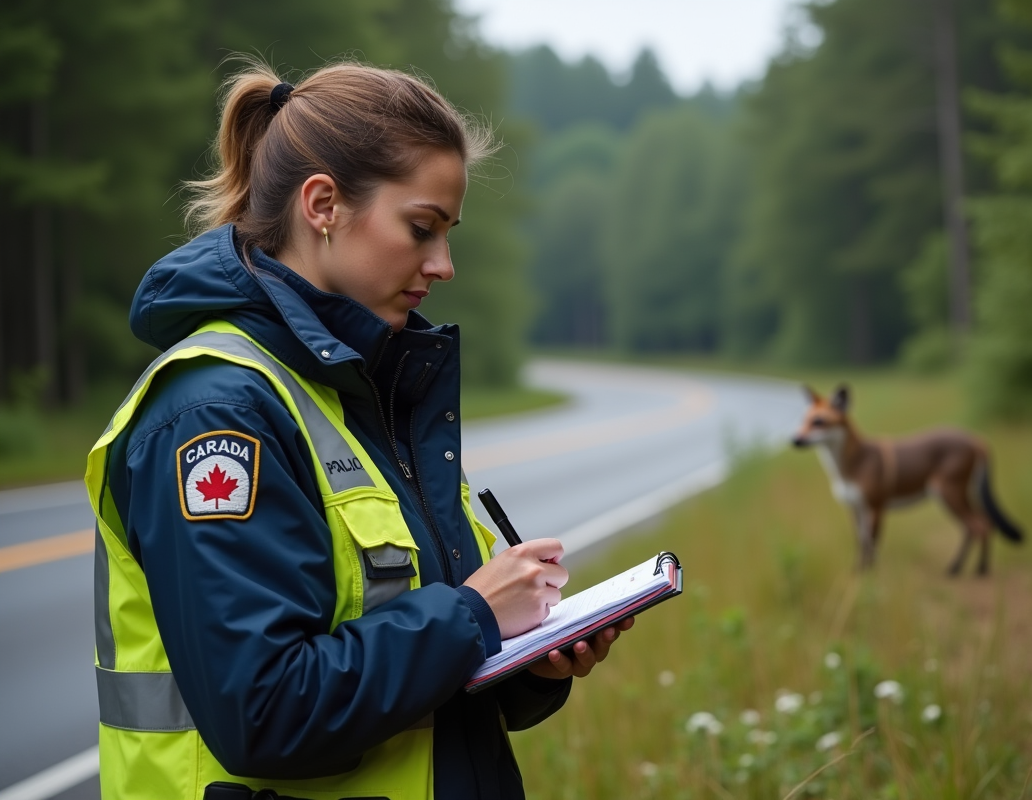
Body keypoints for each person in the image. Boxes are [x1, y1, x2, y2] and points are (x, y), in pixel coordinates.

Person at [85, 58, 632, 800]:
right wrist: (475, 615)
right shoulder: (215, 417)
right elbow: (266, 712)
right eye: (421, 229)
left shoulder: (372, 394)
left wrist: (528, 661)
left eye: (448, 233)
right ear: (323, 205)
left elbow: (422, 683)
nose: (443, 265)